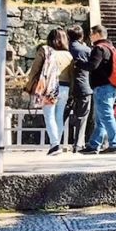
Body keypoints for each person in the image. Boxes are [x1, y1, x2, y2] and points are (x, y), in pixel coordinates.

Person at [26, 28, 73, 156]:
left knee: (49, 115)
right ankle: (56, 143)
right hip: (65, 88)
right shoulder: (68, 55)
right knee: (59, 116)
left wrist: (30, 85)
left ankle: (54, 144)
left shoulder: (45, 50)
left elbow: (35, 69)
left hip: (50, 88)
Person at [80, 24, 116, 155]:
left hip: (102, 87)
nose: (90, 37)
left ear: (98, 34)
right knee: (100, 119)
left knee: (106, 116)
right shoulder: (110, 48)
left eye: (91, 34)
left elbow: (93, 65)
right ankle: (94, 145)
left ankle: (115, 144)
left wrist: (79, 63)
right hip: (110, 87)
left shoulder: (99, 48)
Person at [67, 26, 92, 153]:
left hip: (66, 86)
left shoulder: (65, 49)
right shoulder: (86, 50)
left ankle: (55, 142)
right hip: (84, 86)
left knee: (61, 116)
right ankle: (78, 144)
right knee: (82, 117)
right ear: (82, 36)